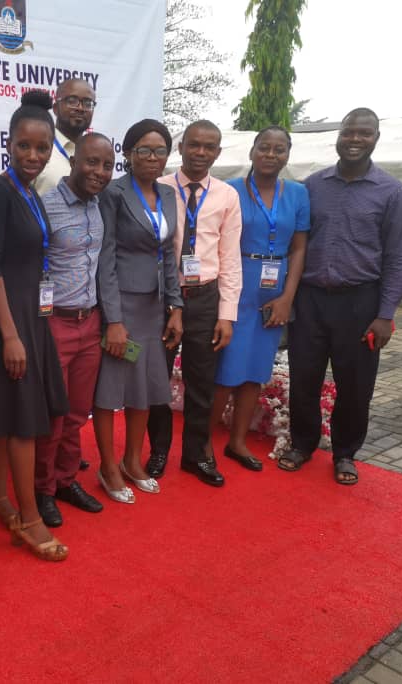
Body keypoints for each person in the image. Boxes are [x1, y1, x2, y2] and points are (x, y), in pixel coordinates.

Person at [281, 108, 402, 485]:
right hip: (310, 299)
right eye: (348, 132)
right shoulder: (312, 185)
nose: (355, 139)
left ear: (375, 139)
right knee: (303, 377)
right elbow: (296, 244)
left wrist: (385, 314)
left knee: (355, 385)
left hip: (360, 302)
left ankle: (344, 453)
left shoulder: (392, 191)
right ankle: (302, 443)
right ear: (338, 136)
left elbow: (397, 257)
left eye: (364, 133)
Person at [0, 90, 69, 561]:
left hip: (33, 317)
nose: (33, 155)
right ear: (9, 143)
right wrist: (9, 335)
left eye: (42, 147)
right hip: (10, 321)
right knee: (24, 422)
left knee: (7, 413)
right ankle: (30, 520)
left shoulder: (30, 192)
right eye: (25, 146)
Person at [93, 119, 184, 504]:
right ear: (128, 154)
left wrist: (176, 306)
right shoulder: (113, 193)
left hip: (153, 308)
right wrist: (113, 320)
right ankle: (108, 466)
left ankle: (132, 460)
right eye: (144, 150)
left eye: (160, 150)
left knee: (145, 384)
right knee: (111, 386)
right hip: (123, 307)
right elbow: (105, 259)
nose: (152, 157)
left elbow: (168, 253)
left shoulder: (167, 194)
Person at [209, 126, 310, 471]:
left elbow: (299, 248)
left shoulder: (297, 194)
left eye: (279, 149)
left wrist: (287, 297)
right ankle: (202, 442)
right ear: (252, 151)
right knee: (226, 367)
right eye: (264, 147)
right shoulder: (229, 190)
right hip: (236, 281)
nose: (271, 154)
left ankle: (237, 442)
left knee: (256, 369)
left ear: (287, 155)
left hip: (275, 287)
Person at [147, 120, 242, 487]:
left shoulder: (226, 196)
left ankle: (196, 455)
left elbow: (229, 258)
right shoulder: (159, 188)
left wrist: (227, 315)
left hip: (205, 297)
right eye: (194, 144)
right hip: (163, 298)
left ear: (217, 152)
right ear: (181, 147)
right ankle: (158, 450)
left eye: (209, 146)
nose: (200, 152)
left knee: (201, 382)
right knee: (158, 379)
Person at [33, 133, 115, 527]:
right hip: (54, 323)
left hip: (89, 322)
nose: (99, 171)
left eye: (107, 165)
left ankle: (66, 480)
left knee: (78, 413)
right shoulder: (44, 206)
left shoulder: (99, 206)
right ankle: (42, 489)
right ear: (73, 161)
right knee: (53, 414)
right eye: (92, 162)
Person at [33, 78, 97, 197]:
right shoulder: (37, 148)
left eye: (88, 103)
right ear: (55, 108)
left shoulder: (95, 153)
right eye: (72, 101)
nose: (80, 108)